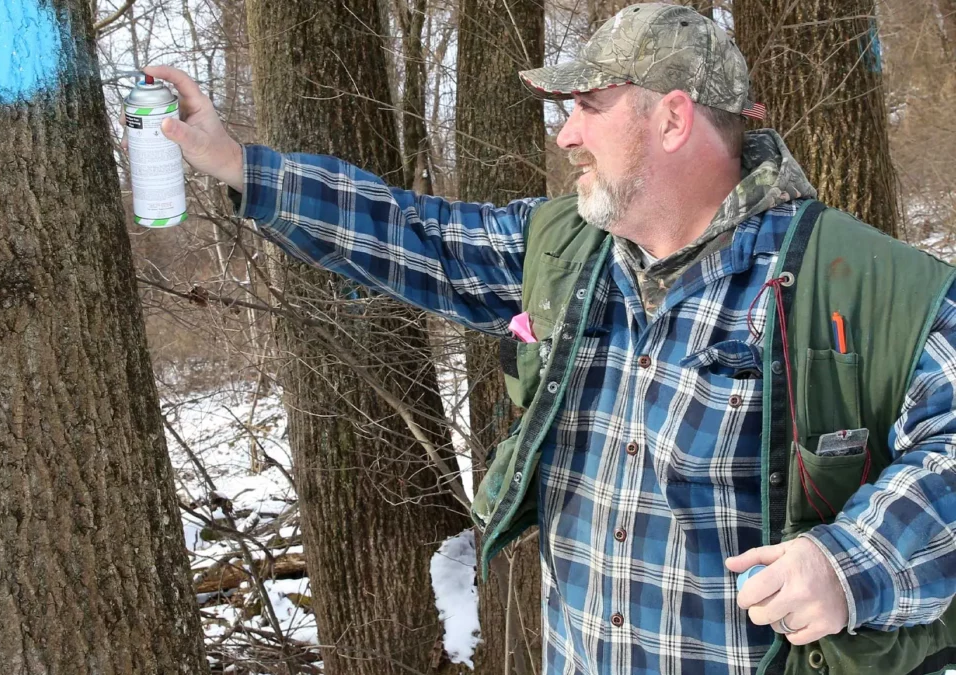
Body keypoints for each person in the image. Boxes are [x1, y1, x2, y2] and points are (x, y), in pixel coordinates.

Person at [138, 3, 956, 673]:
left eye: (586, 108)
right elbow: (415, 233)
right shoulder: (567, 252)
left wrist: (851, 566)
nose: (565, 135)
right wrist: (239, 163)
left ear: (671, 118)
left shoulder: (849, 280)